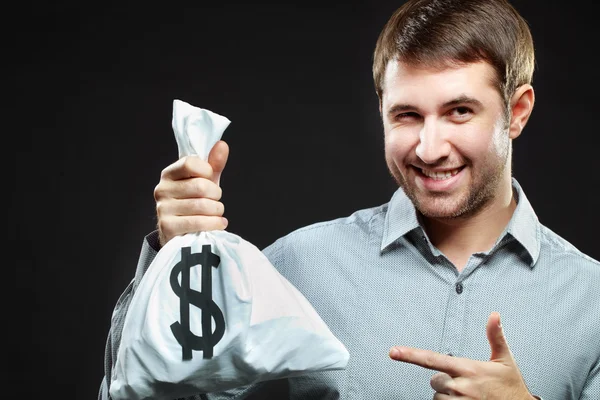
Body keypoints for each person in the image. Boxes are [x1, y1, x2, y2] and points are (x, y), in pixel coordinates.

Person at [99, 0, 600, 399]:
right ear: (381, 110)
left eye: (460, 111)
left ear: (516, 112)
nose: (428, 148)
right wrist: (174, 260)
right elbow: (150, 393)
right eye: (406, 115)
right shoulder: (298, 266)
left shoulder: (592, 302)